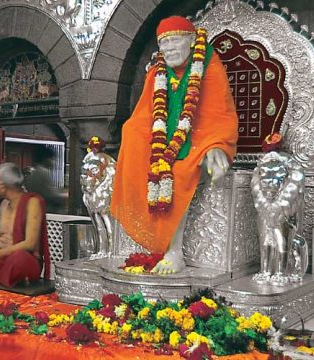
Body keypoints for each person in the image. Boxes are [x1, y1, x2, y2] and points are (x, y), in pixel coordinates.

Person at [110, 16, 238, 274]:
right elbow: (145, 114)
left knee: (176, 175)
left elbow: (219, 112)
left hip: (199, 140)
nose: (168, 48)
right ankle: (147, 239)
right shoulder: (157, 72)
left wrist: (217, 145)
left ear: (191, 41)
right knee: (131, 132)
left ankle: (174, 252)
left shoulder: (209, 65)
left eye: (174, 40)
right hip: (161, 142)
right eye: (163, 43)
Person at [24, 145, 67, 213]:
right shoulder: (42, 172)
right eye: (52, 159)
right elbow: (53, 196)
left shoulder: (35, 172)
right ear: (46, 159)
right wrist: (68, 196)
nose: (54, 162)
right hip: (47, 211)